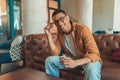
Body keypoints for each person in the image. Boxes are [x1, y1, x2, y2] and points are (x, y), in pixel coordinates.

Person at [44, 9, 102, 80]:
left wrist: (75, 62)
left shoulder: (83, 29)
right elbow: (55, 53)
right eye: (56, 21)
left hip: (87, 59)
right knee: (49, 60)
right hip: (72, 58)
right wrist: (49, 36)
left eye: (62, 19)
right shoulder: (60, 33)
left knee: (91, 69)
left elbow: (95, 54)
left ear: (67, 17)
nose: (60, 23)